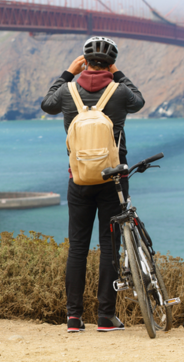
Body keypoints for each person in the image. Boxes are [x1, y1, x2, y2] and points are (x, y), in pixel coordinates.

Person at [41, 36, 145, 333]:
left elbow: (46, 104)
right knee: (110, 247)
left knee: (77, 248)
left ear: (85, 62)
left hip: (79, 179)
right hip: (114, 180)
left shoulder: (66, 91)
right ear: (110, 64)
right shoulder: (120, 91)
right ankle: (105, 316)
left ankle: (74, 318)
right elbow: (139, 101)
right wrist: (119, 72)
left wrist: (68, 73)